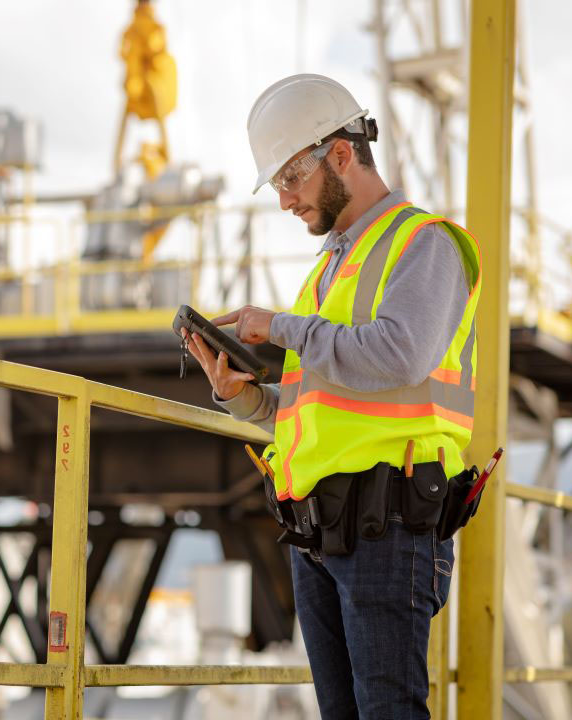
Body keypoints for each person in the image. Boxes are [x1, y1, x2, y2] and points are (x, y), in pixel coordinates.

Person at [182, 74, 480, 719]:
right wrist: (243, 396)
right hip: (323, 532)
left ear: (340, 155)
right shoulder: (330, 269)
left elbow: (400, 355)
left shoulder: (423, 244)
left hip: (390, 525)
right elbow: (309, 409)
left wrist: (280, 327)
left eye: (291, 179)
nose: (285, 201)